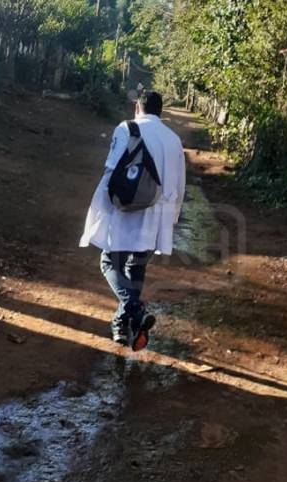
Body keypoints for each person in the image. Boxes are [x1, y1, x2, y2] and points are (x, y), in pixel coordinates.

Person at [80, 90, 186, 351]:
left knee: (109, 262)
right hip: (157, 217)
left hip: (126, 210)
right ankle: (122, 324)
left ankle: (134, 312)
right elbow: (180, 185)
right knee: (136, 267)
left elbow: (111, 170)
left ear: (138, 107)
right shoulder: (174, 140)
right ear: (160, 111)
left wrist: (100, 207)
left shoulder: (126, 128)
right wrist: (171, 220)